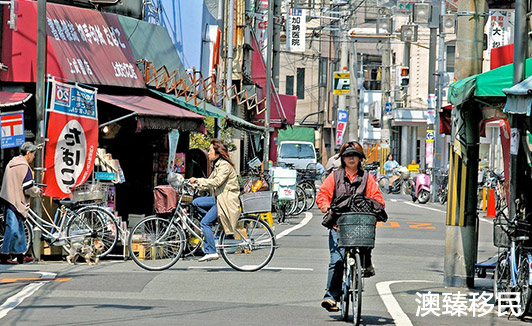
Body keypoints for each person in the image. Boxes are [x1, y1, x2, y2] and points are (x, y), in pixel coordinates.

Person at [316, 141, 385, 312]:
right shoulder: (335, 176)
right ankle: (331, 296)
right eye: (347, 155)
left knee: (366, 243)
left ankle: (367, 263)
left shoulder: (368, 178)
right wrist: (326, 207)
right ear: (342, 158)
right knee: (337, 260)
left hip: (360, 225)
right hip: (338, 225)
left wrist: (375, 206)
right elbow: (323, 194)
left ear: (360, 158)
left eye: (354, 155)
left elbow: (377, 198)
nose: (351, 158)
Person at [189, 139, 240, 262]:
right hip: (220, 198)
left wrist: (198, 181)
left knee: (205, 223)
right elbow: (208, 181)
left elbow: (216, 182)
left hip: (225, 201)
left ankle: (211, 251)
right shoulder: (217, 164)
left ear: (218, 152)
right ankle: (211, 225)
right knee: (196, 202)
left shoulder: (224, 166)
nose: (208, 153)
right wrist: (195, 184)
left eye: (210, 150)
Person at [0, 142, 42, 264]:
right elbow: (28, 188)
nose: (34, 157)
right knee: (13, 229)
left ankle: (20, 254)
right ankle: (4, 255)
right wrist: (37, 191)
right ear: (28, 153)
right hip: (15, 201)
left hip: (8, 198)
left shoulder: (11, 163)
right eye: (33, 154)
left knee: (19, 228)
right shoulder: (24, 166)